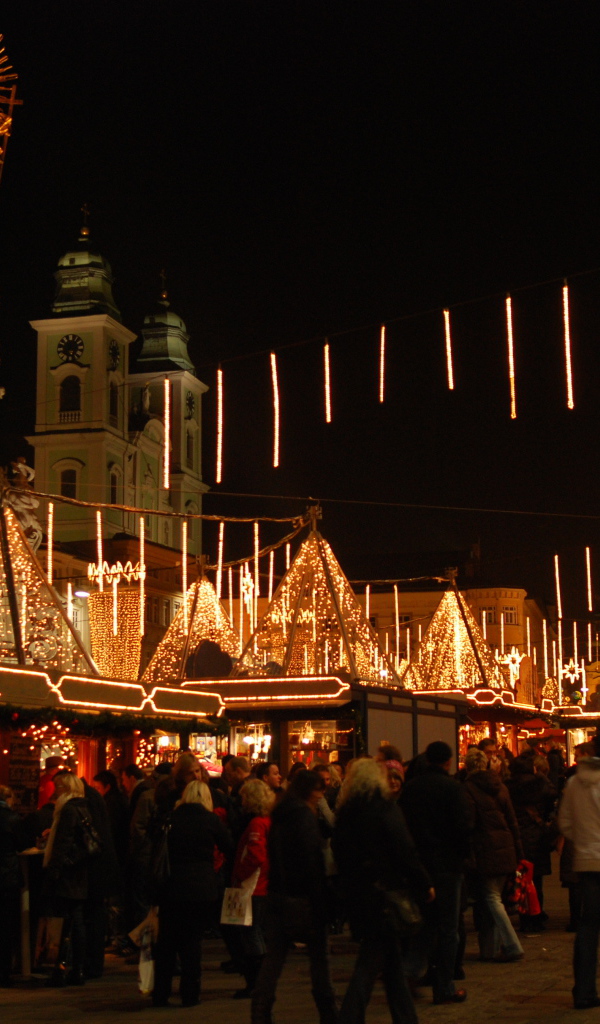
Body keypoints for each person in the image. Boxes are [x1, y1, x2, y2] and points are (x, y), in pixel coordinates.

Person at [333, 758, 433, 1024]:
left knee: (390, 963)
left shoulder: (347, 812)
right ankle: (350, 1016)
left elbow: (339, 852)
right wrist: (423, 882)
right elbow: (404, 850)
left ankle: (405, 1016)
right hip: (385, 893)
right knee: (371, 961)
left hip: (359, 892)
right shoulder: (384, 809)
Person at [251, 770, 338, 1024]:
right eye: (319, 789)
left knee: (274, 959)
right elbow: (311, 861)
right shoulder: (303, 817)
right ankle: (328, 1011)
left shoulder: (281, 816)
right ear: (308, 791)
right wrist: (320, 899)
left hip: (278, 895)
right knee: (319, 962)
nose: (322, 793)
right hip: (303, 898)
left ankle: (260, 1010)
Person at [400, 740, 471, 1004]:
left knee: (425, 924)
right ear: (448, 761)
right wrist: (463, 856)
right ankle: (445, 985)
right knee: (448, 927)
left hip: (421, 865)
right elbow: (462, 827)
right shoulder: (453, 788)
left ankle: (409, 971)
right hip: (447, 866)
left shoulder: (412, 789)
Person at [152, 779, 233, 1007]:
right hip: (200, 887)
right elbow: (228, 845)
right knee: (192, 943)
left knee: (167, 943)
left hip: (171, 886)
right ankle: (190, 993)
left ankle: (161, 993)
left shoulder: (172, 819)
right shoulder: (210, 820)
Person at [463, 748, 524, 963]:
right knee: (495, 898)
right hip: (505, 846)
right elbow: (512, 820)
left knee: (491, 898)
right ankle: (490, 949)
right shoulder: (500, 787)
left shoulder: (469, 789)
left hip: (485, 848)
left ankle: (512, 944)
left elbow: (469, 824)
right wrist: (518, 851)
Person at [558, 734, 600, 1009]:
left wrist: (584, 843)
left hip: (587, 862)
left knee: (588, 927)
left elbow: (565, 823)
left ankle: (583, 990)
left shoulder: (574, 783)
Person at [42, 772, 92, 986]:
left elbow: (63, 842)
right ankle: (76, 968)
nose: (54, 793)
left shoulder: (68, 810)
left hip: (68, 873)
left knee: (65, 922)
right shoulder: (83, 807)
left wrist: (54, 870)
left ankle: (62, 967)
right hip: (79, 873)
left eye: (58, 788)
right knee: (76, 919)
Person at [231, 778, 276, 998]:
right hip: (262, 885)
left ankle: (256, 982)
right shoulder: (268, 821)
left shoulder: (256, 823)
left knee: (251, 933)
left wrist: (240, 873)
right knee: (256, 932)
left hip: (253, 886)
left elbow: (256, 855)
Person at [0, 786, 22, 987]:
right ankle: (4, 972)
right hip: (6, 875)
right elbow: (22, 844)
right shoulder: (12, 818)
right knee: (6, 925)